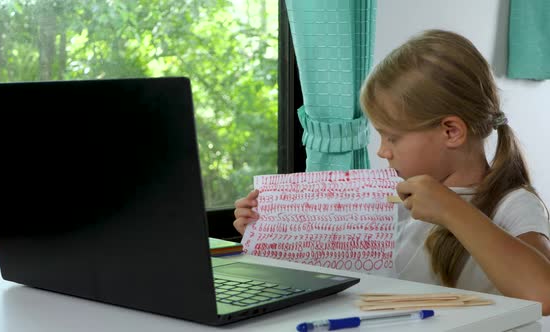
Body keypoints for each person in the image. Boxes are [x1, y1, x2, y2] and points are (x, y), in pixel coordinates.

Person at [233, 29, 550, 314]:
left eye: (392, 137)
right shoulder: (393, 202)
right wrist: (268, 228)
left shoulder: (513, 204)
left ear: (451, 132)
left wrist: (452, 210)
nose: (382, 150)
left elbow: (544, 295)